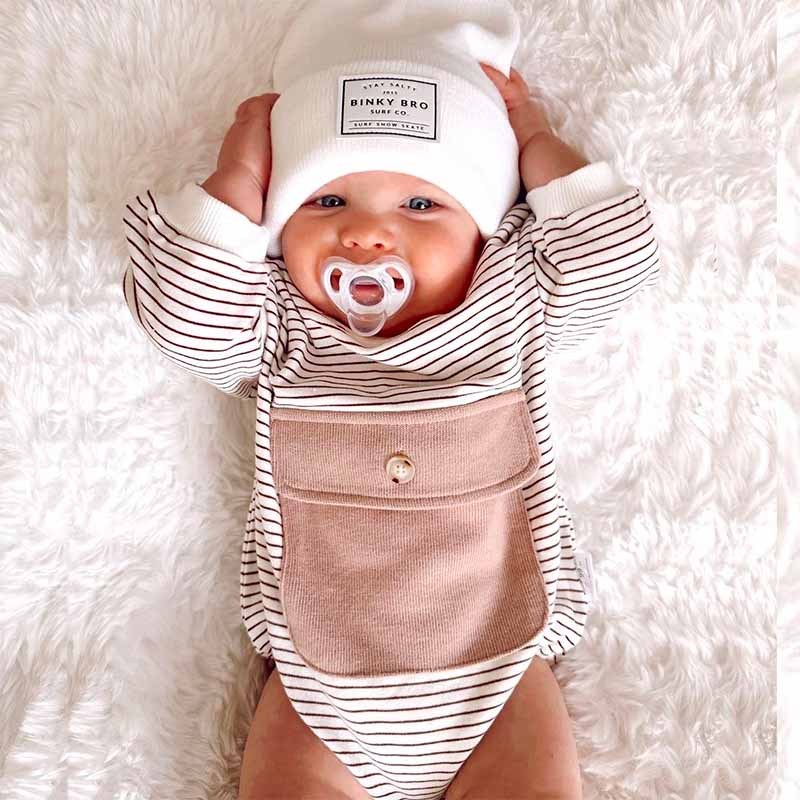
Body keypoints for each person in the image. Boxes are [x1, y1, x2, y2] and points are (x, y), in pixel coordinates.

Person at [120, 1, 660, 797]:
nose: (368, 235)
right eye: (326, 202)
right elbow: (180, 311)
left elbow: (614, 255)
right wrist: (239, 176)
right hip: (318, 698)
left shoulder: (508, 299)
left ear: (485, 227)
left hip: (500, 683)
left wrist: (536, 139)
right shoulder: (279, 324)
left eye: (421, 205)